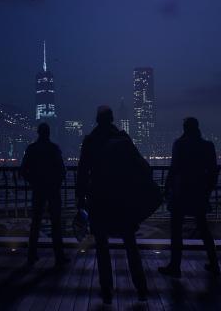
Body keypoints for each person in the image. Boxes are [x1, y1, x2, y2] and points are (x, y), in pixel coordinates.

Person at [76, 106, 148, 304]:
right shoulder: (123, 139)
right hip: (123, 199)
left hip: (98, 199)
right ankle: (141, 288)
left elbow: (82, 173)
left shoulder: (90, 141)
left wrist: (80, 198)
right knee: (130, 244)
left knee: (101, 246)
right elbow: (142, 167)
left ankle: (107, 290)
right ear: (112, 119)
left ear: (97, 120)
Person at [159, 117, 220, 278]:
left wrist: (167, 188)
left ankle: (175, 265)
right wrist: (208, 190)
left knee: (176, 231)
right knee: (204, 229)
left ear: (184, 128)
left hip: (181, 192)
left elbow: (173, 169)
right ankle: (214, 263)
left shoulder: (179, 144)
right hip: (199, 192)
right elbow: (213, 172)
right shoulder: (207, 146)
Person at [20, 123, 70, 267]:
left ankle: (31, 255)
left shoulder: (31, 149)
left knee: (35, 223)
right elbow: (62, 171)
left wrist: (33, 182)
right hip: (53, 190)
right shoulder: (54, 149)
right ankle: (59, 256)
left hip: (38, 189)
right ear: (49, 133)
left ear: (38, 132)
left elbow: (23, 171)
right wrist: (56, 183)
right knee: (56, 224)